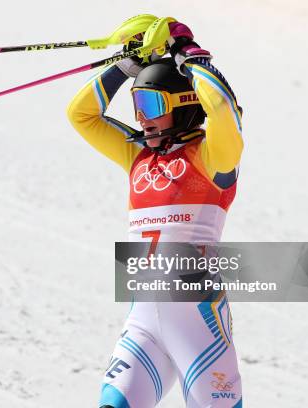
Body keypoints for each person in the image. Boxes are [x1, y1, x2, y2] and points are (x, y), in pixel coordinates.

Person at [66, 21, 244, 408]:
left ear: (182, 106)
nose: (141, 118)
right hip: (143, 321)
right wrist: (127, 65)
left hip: (198, 323)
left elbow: (224, 112)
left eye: (150, 106)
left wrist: (192, 57)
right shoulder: (138, 158)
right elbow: (80, 115)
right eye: (137, 106)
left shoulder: (213, 156)